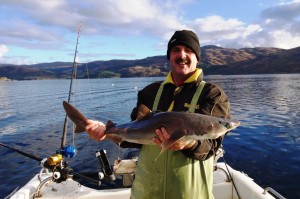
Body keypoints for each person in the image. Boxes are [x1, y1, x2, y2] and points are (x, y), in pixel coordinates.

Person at [85, 30, 231, 199]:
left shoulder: (213, 94)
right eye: (176, 50)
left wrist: (188, 144)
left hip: (188, 193)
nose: (182, 55)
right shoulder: (150, 92)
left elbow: (212, 146)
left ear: (197, 58)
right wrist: (107, 133)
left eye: (188, 50)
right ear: (169, 56)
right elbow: (136, 137)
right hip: (146, 191)